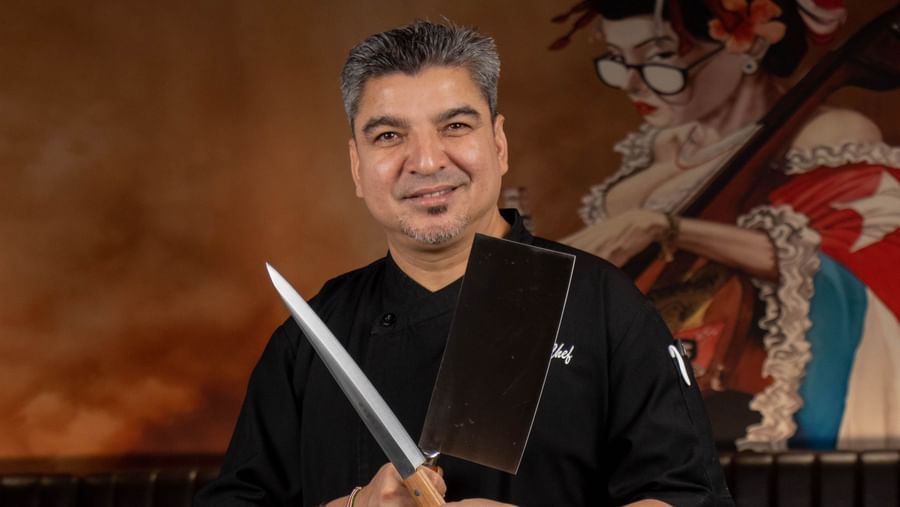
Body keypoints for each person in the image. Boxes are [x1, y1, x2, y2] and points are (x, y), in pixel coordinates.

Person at [195, 20, 732, 506]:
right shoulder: (311, 340)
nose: (427, 161)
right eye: (388, 136)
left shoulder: (604, 308)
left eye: (455, 126)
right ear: (358, 167)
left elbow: (689, 498)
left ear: (498, 144)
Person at [554, 0, 900, 450]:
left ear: (748, 43)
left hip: (744, 392)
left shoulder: (829, 135)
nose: (635, 84)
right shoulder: (658, 156)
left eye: (659, 58)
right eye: (620, 63)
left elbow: (849, 260)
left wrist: (666, 227)